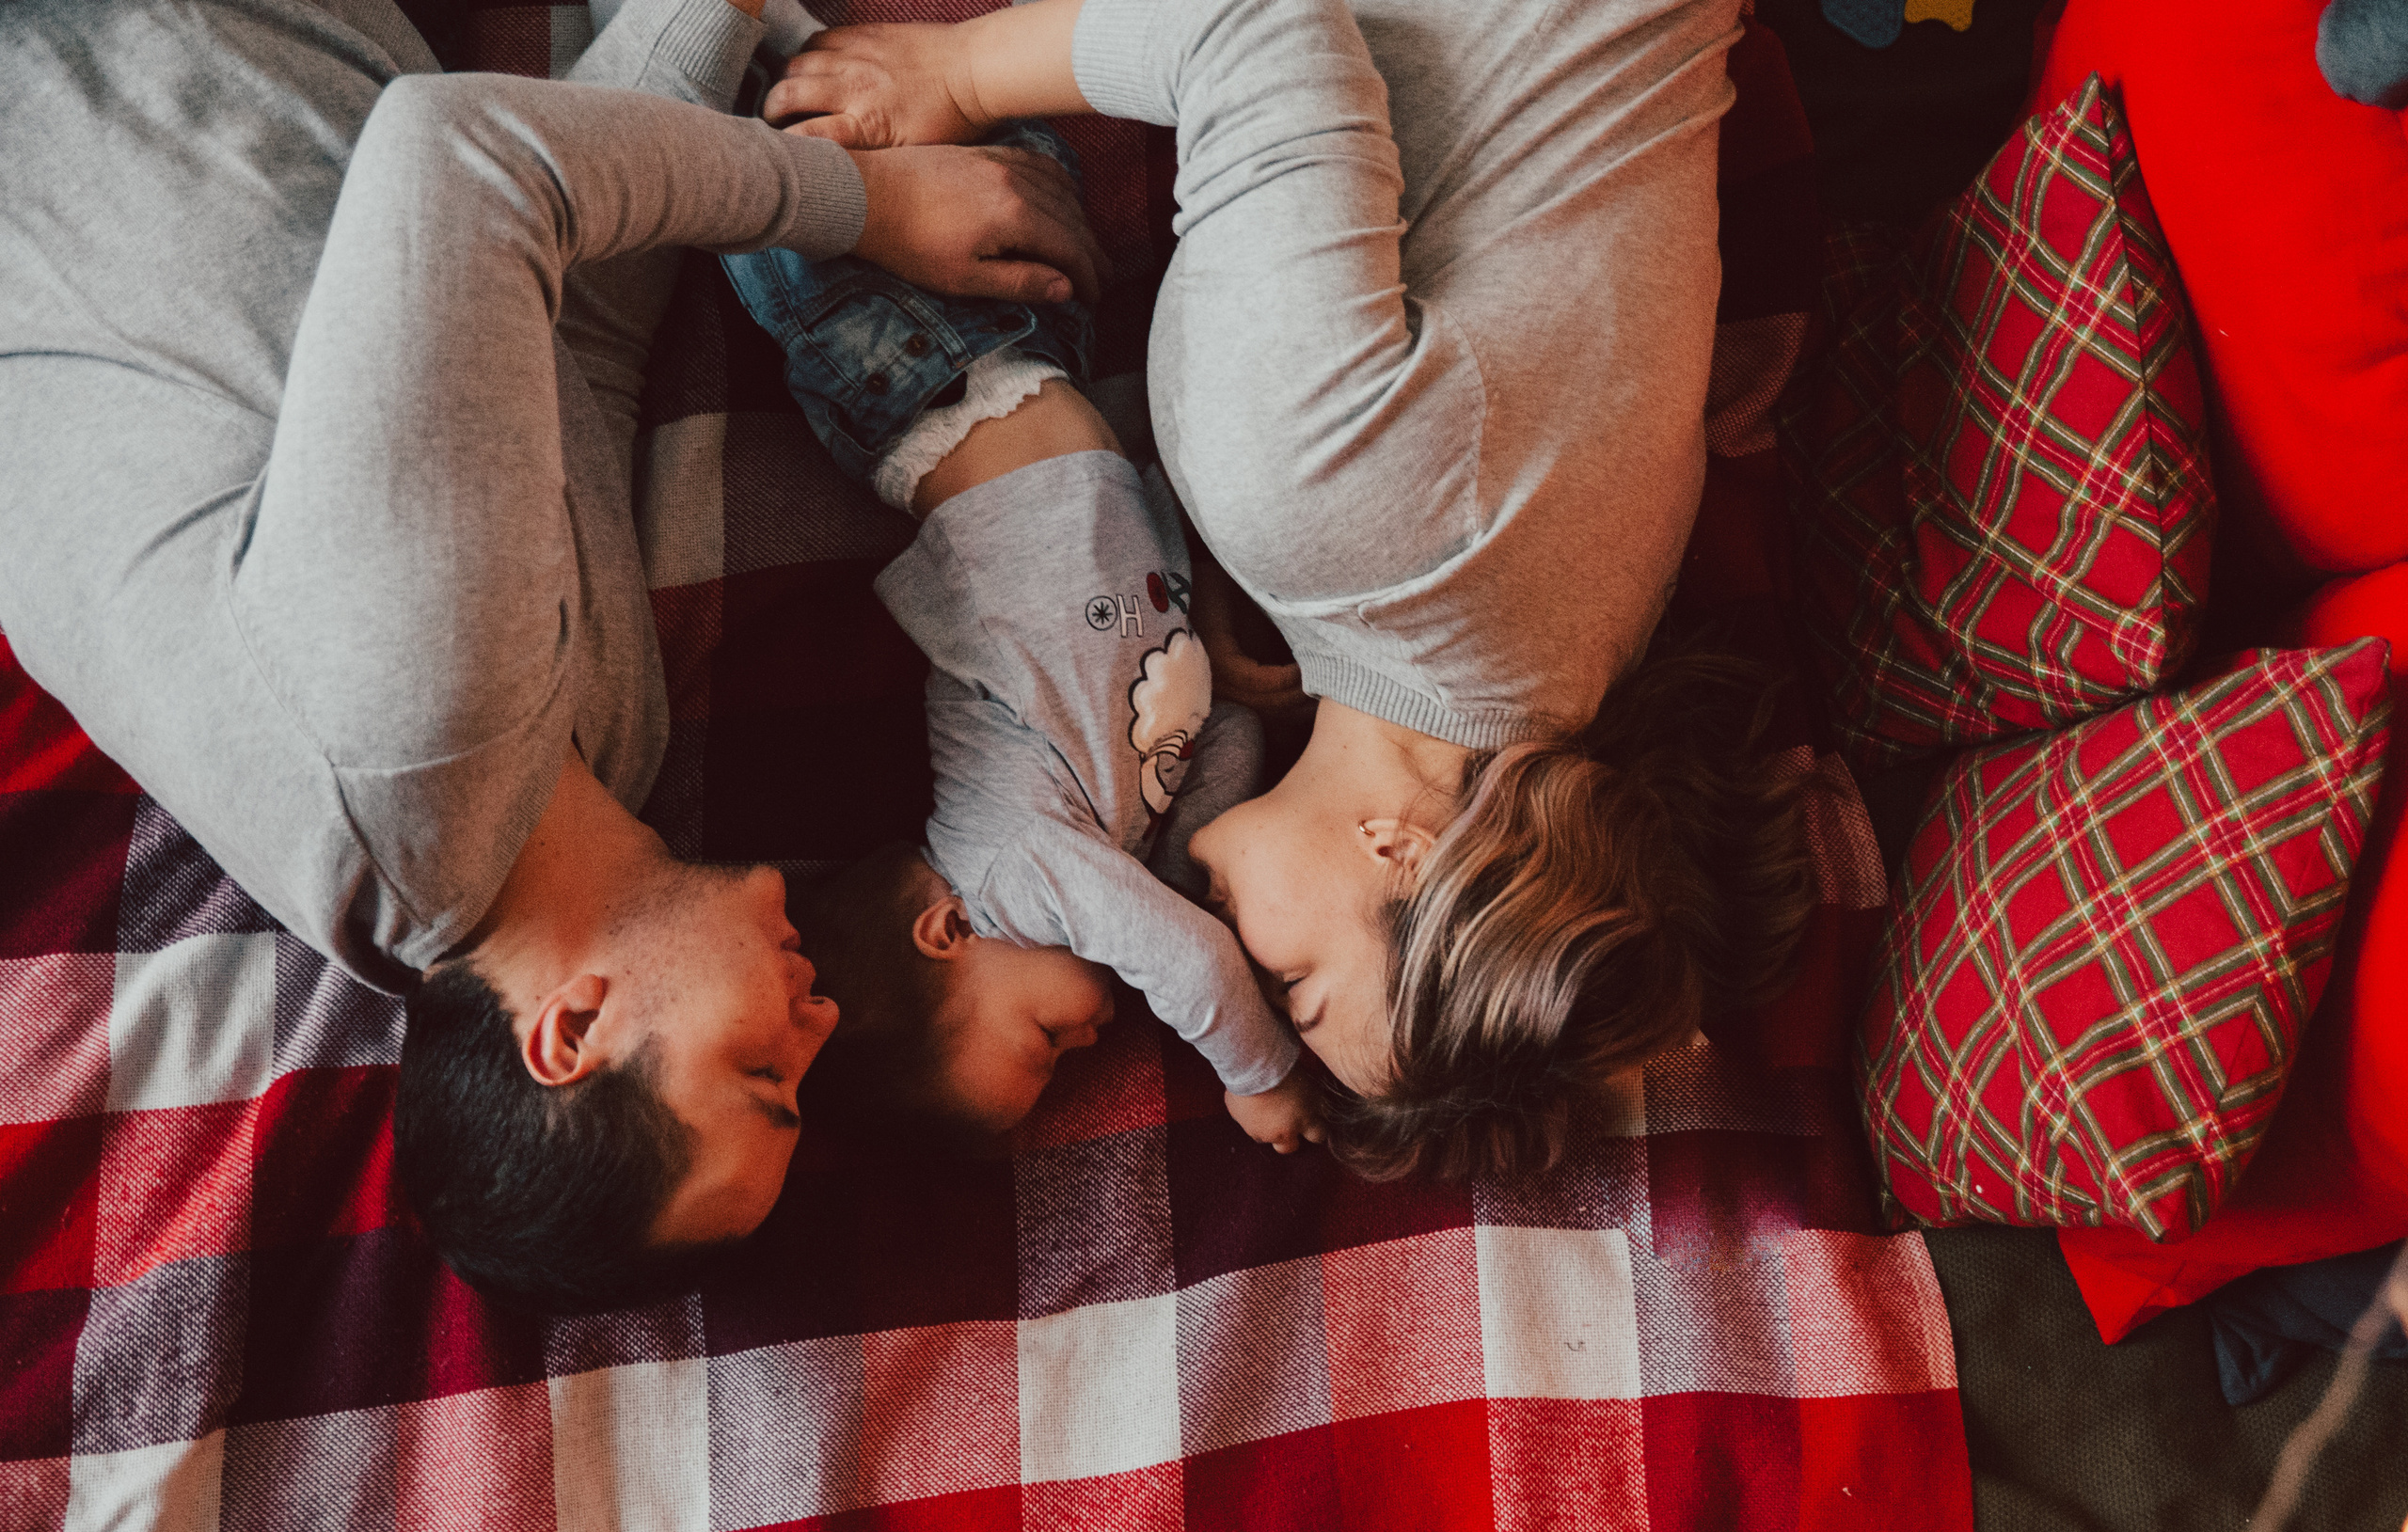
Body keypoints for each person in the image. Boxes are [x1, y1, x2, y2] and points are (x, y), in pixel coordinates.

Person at [0, 0, 1104, 1308]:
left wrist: (857, 205)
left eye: (760, 1075)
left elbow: (464, 159)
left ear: (570, 1030)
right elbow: (566, 346)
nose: (819, 1027)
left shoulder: (415, 737)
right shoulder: (592, 775)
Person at [765, 0, 1819, 1177]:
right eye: (1298, 986)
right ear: (1400, 854)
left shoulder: (1572, 661)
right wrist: (954, 75)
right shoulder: (1310, 507)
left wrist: (1240, 570)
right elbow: (1249, 33)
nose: (1241, 961)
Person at [723, 153, 1312, 1146]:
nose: (1089, 1041)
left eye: (1041, 1040)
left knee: (759, 175)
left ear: (947, 936)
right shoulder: (1106, 842)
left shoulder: (1007, 871)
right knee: (954, 140)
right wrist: (1185, 863)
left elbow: (1189, 967)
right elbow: (1227, 739)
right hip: (1036, 357)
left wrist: (1259, 1074)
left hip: (919, 368)